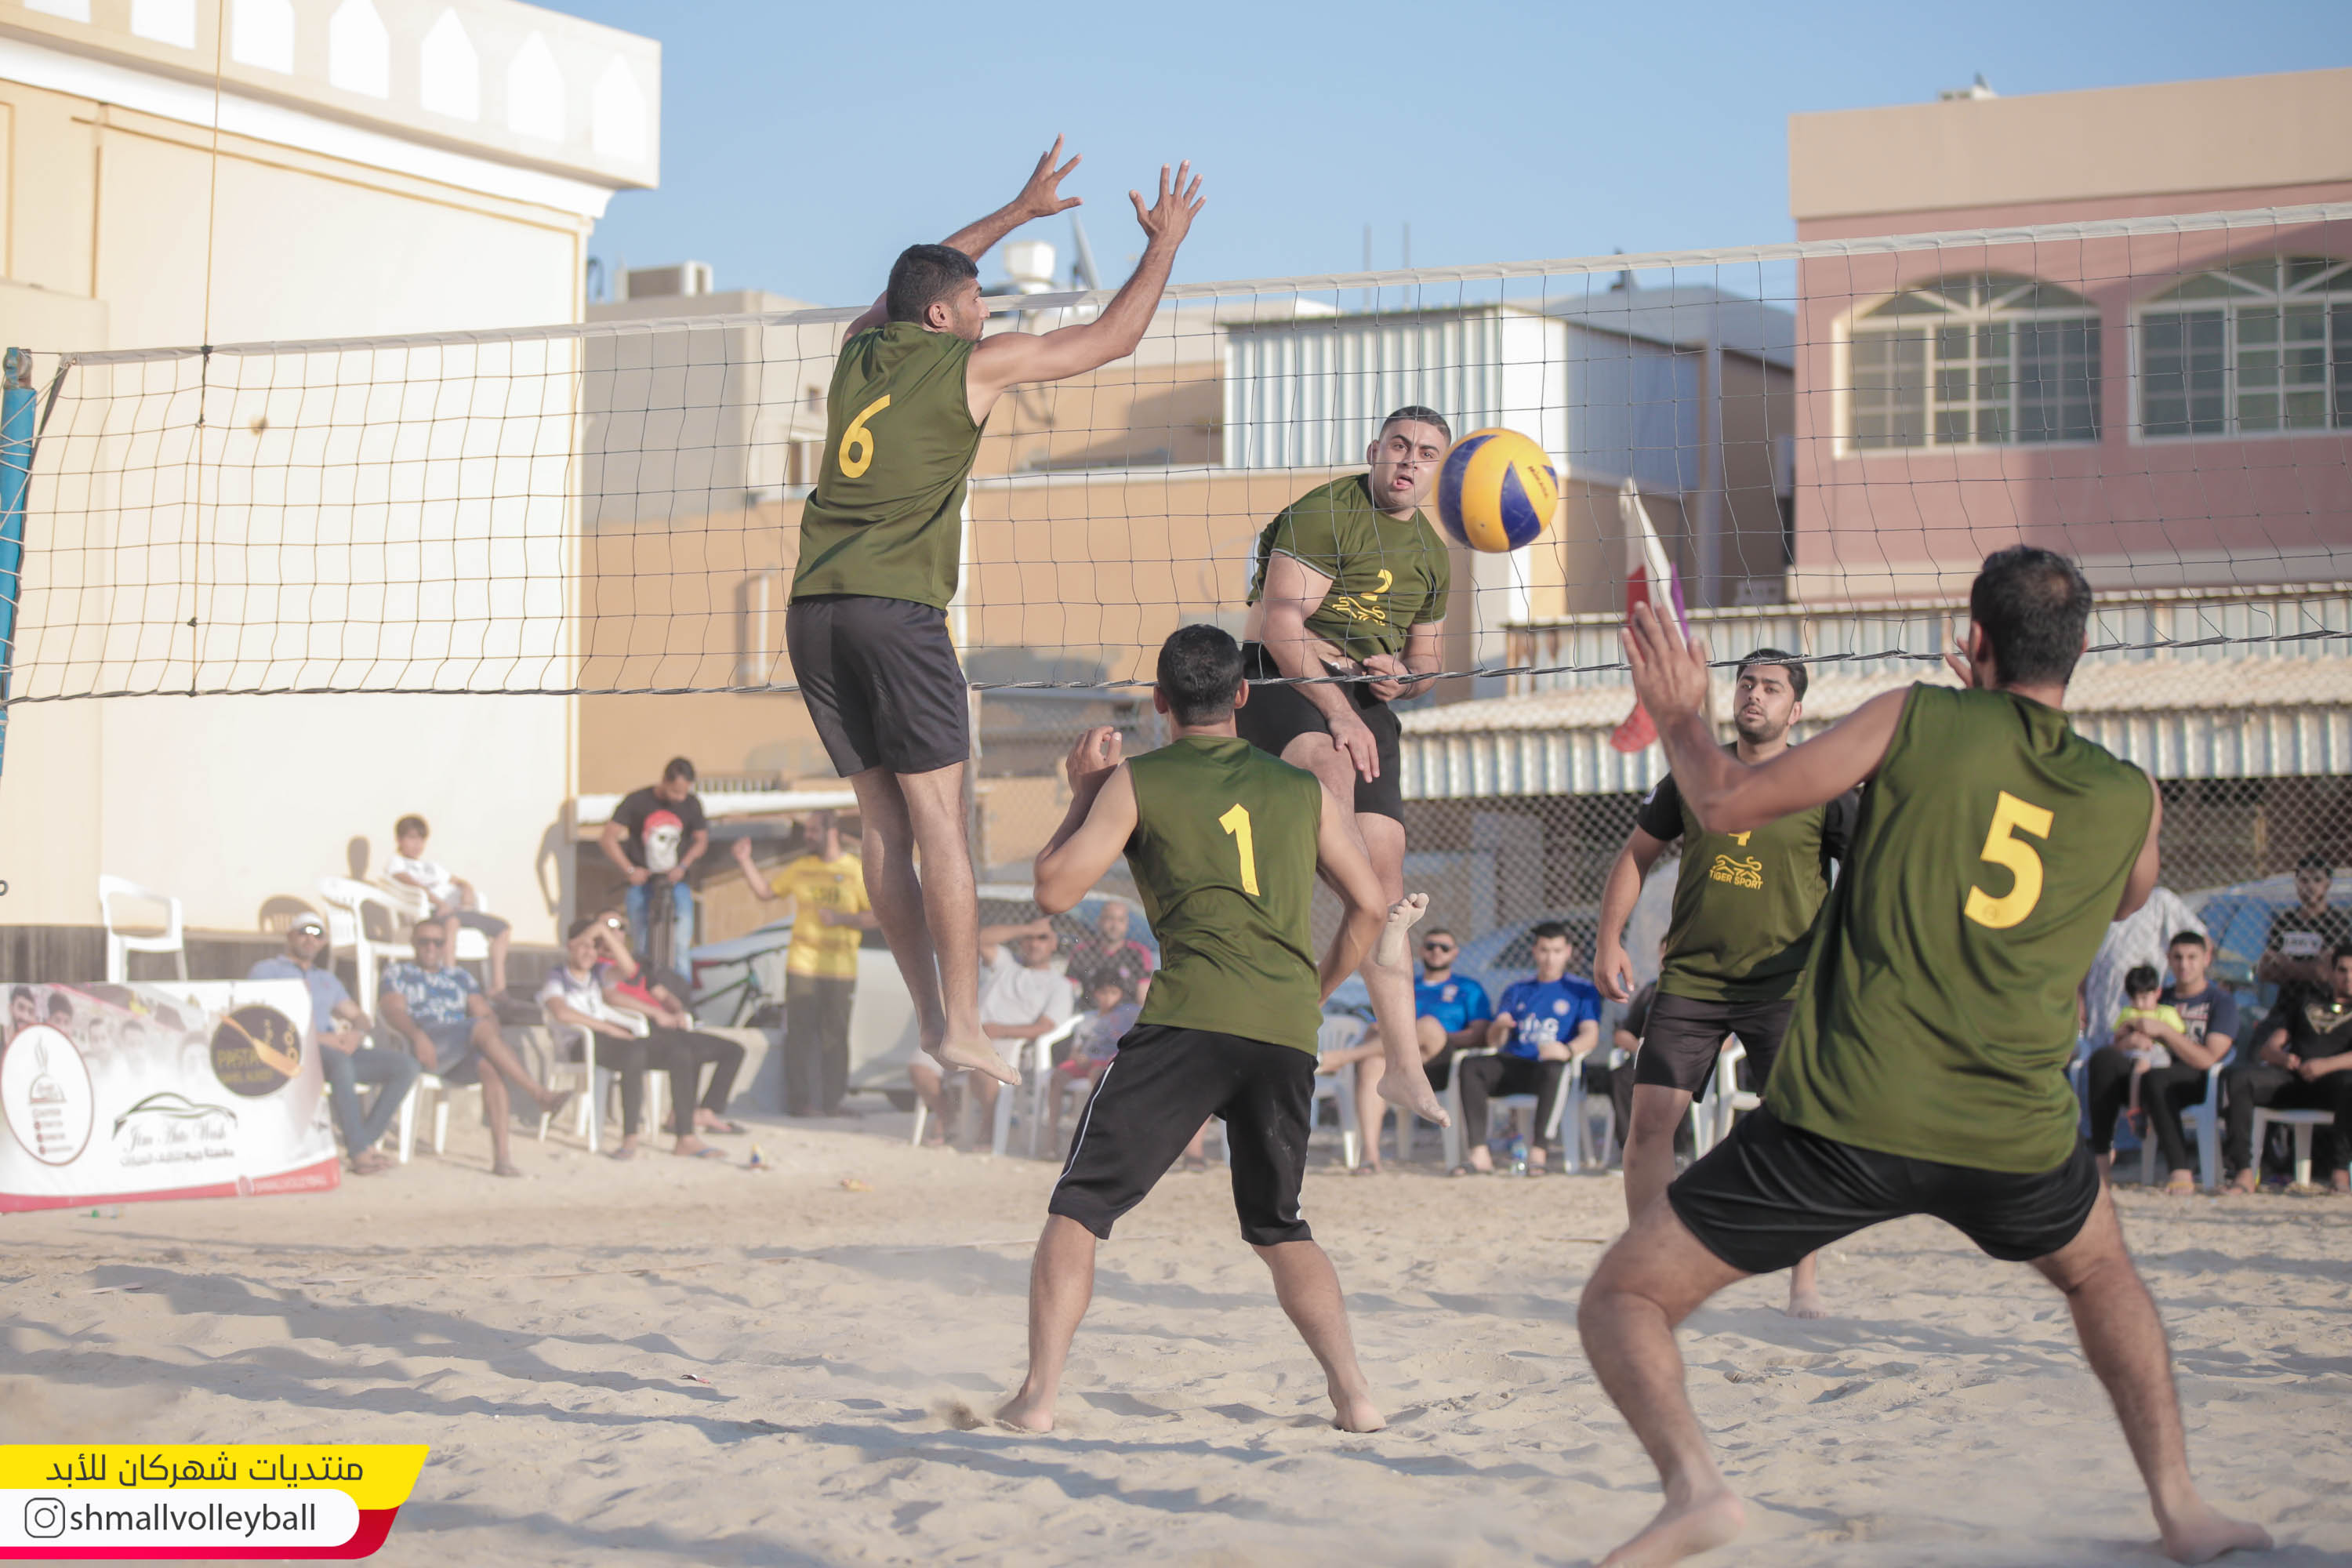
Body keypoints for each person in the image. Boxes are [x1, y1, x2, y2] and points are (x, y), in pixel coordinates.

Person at [1578, 546, 2268, 1567]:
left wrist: (1682, 714)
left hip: (1849, 1114)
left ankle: (1696, 1489)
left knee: (1620, 1299)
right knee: (2102, 1277)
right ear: (2080, 652)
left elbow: (1719, 802)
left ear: (1975, 640)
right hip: (2013, 1128)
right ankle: (2180, 1507)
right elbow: (2129, 891)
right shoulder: (2131, 794)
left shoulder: (1914, 717)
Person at [784, 139, 1204, 1095]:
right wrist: (1165, 244)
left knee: (882, 823)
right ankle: (967, 1024)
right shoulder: (969, 365)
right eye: (977, 300)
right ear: (942, 317)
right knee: (940, 821)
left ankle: (936, 1017)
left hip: (813, 611)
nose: (989, 310)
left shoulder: (859, 348)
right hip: (896, 612)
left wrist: (1017, 211)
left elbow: (920, 277)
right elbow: (1112, 339)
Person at [996, 624, 1448, 1435]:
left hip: (1189, 1020)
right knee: (1279, 1225)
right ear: (1243, 694)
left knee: (1079, 1207)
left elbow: (1054, 892)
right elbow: (1370, 906)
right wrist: (1313, 990)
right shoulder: (1301, 790)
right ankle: (1355, 1395)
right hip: (1284, 1028)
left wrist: (1082, 791)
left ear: (1159, 702)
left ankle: (1038, 1398)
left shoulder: (1136, 780)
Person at [1594, 646, 1854, 1319]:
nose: (1754, 695)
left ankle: (1803, 1284)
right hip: (1692, 980)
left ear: (1796, 709)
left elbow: (1872, 875)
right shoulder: (1693, 774)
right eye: (1746, 683)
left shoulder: (1823, 784)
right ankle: (1653, 1271)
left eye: (1771, 688)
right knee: (1651, 1124)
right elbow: (1636, 855)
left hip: (1785, 984)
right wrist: (1608, 939)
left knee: (1800, 1131)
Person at [1238, 406, 1454, 911]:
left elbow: (1428, 658)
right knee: (1332, 773)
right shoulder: (1326, 512)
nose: (1410, 461)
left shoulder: (1433, 554)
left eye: (1426, 454)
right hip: (1280, 675)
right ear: (1375, 453)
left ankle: (1379, 921)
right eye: (1399, 446)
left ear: (1437, 471)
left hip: (1364, 693)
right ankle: (1366, 908)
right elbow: (1280, 629)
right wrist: (1339, 713)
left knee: (1387, 864)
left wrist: (1405, 679)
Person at [378, 914, 571, 1178]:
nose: (431, 947)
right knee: (479, 1027)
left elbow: (486, 1014)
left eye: (438, 942)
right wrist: (418, 1036)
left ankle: (502, 1159)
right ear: (413, 943)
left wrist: (489, 1038)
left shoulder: (460, 976)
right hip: (424, 1044)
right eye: (424, 941)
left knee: (490, 1065)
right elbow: (393, 1012)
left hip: (459, 1047)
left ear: (446, 945)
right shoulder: (399, 973)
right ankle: (539, 1094)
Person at [731, 810, 876, 1117]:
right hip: (802, 965)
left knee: (835, 1037)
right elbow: (766, 892)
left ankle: (833, 1102)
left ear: (831, 832)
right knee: (799, 1035)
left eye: (813, 830)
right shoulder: (801, 868)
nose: (807, 836)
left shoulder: (854, 870)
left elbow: (877, 916)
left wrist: (842, 918)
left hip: (840, 968)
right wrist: (745, 861)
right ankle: (800, 1103)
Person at [250, 914, 419, 1174]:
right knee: (340, 1062)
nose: (310, 939)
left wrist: (356, 1034)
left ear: (324, 942)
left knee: (405, 1066)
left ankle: (364, 1141)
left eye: (317, 934)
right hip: (293, 1050)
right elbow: (258, 1018)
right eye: (304, 932)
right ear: (290, 936)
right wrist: (317, 1038)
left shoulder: (326, 979)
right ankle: (360, 1152)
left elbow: (359, 1016)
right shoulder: (267, 971)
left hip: (333, 1052)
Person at [1317, 926, 1493, 1173]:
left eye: (1444, 948)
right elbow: (1377, 1027)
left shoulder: (1469, 988)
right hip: (1398, 1058)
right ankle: (1370, 1156)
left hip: (1442, 1061)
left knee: (1428, 1025)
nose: (1437, 952)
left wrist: (1431, 1034)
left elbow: (1478, 1034)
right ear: (1421, 951)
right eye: (1431, 946)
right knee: (1372, 1063)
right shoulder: (1405, 984)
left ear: (1455, 953)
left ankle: (1341, 1058)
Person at [583, 920, 747, 1156]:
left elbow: (662, 994)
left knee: (731, 1050)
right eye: (608, 927)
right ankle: (683, 1129)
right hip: (642, 1030)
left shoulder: (639, 967)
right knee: (684, 1053)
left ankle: (702, 1112)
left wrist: (676, 1009)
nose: (615, 932)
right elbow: (611, 996)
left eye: (619, 927)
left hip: (667, 1027)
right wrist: (656, 1013)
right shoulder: (596, 966)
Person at [909, 918, 1073, 1149]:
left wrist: (1001, 1030)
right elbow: (977, 940)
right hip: (968, 1034)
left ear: (1054, 944)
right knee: (919, 1067)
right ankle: (947, 1118)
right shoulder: (1005, 965)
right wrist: (1026, 927)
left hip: (1009, 1042)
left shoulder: (1059, 985)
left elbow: (1045, 1027)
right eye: (1029, 938)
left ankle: (988, 1127)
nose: (1035, 943)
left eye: (1042, 938)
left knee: (983, 1071)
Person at [1454, 923, 1599, 1176]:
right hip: (1516, 1065)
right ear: (1534, 951)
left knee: (1555, 1068)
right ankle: (1479, 1154)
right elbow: (1494, 1041)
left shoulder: (1582, 990)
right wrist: (1499, 1026)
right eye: (1544, 950)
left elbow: (1591, 1035)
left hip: (1551, 1070)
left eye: (1556, 951)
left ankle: (1538, 1153)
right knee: (1471, 1066)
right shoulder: (1517, 990)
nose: (1550, 958)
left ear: (1568, 952)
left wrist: (1567, 1050)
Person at [2223, 939, 2352, 1195]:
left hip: (2337, 1088)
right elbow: (2269, 1049)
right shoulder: (2306, 1002)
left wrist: (2326, 1065)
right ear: (2331, 971)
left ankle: (2340, 1174)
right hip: (2294, 1080)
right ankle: (2244, 1172)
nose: (2348, 977)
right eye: (2343, 970)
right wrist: (2283, 1058)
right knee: (2240, 1079)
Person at [383, 815, 512, 995]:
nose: (417, 844)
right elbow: (407, 882)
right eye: (412, 838)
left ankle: (498, 988)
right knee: (452, 922)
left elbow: (457, 881)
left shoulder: (432, 867)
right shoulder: (397, 862)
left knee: (502, 928)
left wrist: (466, 889)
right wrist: (439, 902)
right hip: (430, 913)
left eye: (421, 839)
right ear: (399, 840)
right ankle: (450, 981)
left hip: (455, 910)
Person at [600, 758, 709, 963]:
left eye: (685, 792)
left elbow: (701, 841)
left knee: (681, 945)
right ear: (664, 781)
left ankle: (680, 982)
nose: (680, 798)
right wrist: (630, 870)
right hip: (642, 882)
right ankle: (643, 981)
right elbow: (608, 838)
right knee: (642, 944)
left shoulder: (691, 804)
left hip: (676, 882)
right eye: (676, 791)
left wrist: (683, 866)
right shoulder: (637, 801)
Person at [1047, 973, 1140, 1151]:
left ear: (1121, 994)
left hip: (1108, 1062)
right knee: (1057, 1078)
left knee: (1098, 1075)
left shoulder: (1128, 1015)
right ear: (1095, 993)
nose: (1108, 998)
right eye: (1103, 993)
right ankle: (1052, 1139)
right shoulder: (1087, 1021)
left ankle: (1097, 1135)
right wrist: (1078, 1058)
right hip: (1087, 1061)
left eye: (1113, 993)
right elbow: (1075, 1051)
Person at [2255, 852, 2346, 1018]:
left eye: (2317, 880)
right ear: (2296, 883)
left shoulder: (2338, 924)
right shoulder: (2284, 922)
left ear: (2327, 884)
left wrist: (2284, 964)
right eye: (2304, 880)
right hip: (2285, 1007)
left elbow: (2325, 973)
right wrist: (2312, 967)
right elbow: (2265, 971)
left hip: (2323, 1007)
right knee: (2264, 1034)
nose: (2310, 886)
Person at [1062, 898, 1155, 998]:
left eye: (1120, 920)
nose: (1115, 926)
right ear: (1100, 921)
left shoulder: (1138, 953)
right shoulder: (1082, 951)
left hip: (1127, 1008)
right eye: (1110, 919)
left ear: (1127, 924)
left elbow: (1143, 995)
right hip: (1088, 1007)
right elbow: (1069, 989)